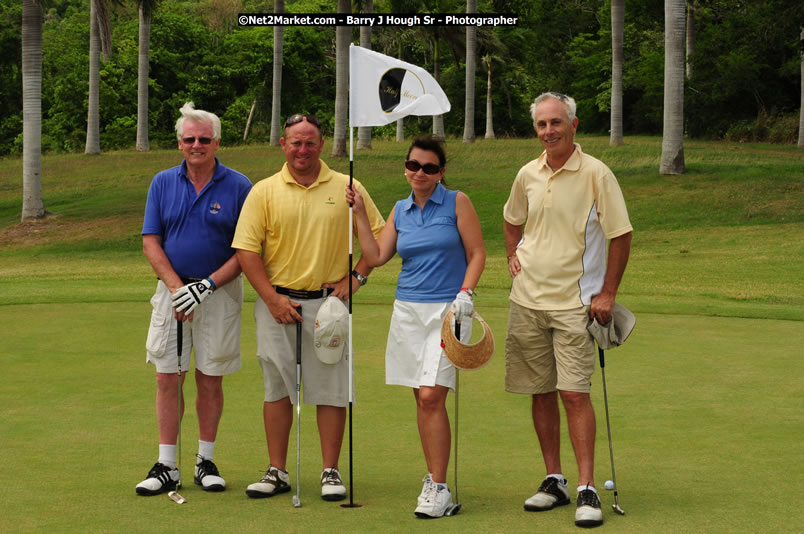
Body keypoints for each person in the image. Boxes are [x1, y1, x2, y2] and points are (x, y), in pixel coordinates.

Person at [232, 113, 385, 502]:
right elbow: (247, 251)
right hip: (276, 302)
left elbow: (378, 243)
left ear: (322, 145)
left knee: (331, 389)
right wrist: (270, 298)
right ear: (283, 145)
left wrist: (357, 278)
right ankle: (277, 470)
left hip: (328, 306)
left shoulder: (348, 186)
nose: (303, 150)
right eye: (295, 143)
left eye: (310, 142)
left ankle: (330, 471)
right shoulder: (264, 191)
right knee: (277, 388)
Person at [503, 92, 633, 528]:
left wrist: (608, 293)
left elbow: (620, 234)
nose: (548, 131)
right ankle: (554, 479)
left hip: (576, 303)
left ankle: (586, 487)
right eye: (541, 124)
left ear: (574, 126)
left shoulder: (596, 173)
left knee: (574, 393)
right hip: (527, 301)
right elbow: (511, 218)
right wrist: (511, 256)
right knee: (540, 392)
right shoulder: (527, 173)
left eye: (556, 122)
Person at [346, 135, 486, 518]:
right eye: (413, 165)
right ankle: (433, 477)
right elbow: (376, 255)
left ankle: (439, 488)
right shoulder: (400, 209)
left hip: (448, 311)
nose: (419, 173)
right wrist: (359, 213)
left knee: (430, 397)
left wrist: (466, 294)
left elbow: (477, 253)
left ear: (441, 172)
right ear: (405, 168)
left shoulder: (457, 202)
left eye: (428, 167)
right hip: (407, 311)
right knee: (421, 400)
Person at [137, 102, 252, 496]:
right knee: (168, 377)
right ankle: (167, 464)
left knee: (210, 378)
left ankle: (205, 461)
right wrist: (175, 288)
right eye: (190, 139)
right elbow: (151, 240)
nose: (197, 145)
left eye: (204, 138)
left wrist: (205, 286)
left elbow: (246, 249)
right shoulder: (162, 182)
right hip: (171, 293)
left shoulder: (239, 185)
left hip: (218, 293)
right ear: (180, 143)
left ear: (216, 141)